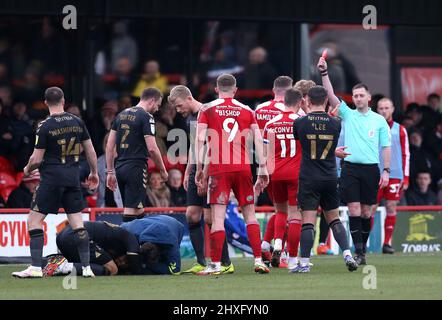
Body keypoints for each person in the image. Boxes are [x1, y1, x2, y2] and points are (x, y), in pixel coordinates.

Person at [12, 87, 99, 278]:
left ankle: (35, 268)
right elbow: (90, 150)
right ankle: (86, 268)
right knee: (78, 223)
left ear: (45, 103)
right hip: (72, 179)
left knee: (34, 220)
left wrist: (27, 169)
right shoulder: (77, 121)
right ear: (63, 100)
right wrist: (94, 172)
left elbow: (36, 159)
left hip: (51, 179)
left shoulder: (45, 126)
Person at [319, 56, 391, 266]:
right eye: (355, 95)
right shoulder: (348, 115)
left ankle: (363, 249)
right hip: (350, 168)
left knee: (367, 212)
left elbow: (386, 147)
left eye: (361, 95)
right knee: (354, 210)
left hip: (371, 170)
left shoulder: (379, 120)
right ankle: (358, 251)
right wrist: (324, 73)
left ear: (369, 98)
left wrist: (386, 170)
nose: (358, 98)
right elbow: (330, 94)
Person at [195, 74, 270, 275]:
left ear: (216, 89)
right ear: (235, 90)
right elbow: (258, 140)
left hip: (220, 169)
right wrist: (262, 168)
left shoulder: (207, 109)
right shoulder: (247, 110)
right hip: (243, 168)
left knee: (218, 219)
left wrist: (200, 168)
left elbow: (200, 139)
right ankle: (259, 261)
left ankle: (217, 265)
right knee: (250, 215)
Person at [292, 86, 357, 273]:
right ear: (327, 101)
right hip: (329, 176)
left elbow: (304, 143)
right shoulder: (336, 123)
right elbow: (327, 145)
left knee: (308, 222)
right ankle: (347, 254)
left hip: (309, 177)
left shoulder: (300, 123)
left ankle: (304, 263)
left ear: (308, 101)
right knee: (334, 219)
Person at [168, 85, 233, 274]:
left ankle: (226, 262)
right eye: (176, 108)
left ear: (189, 98)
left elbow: (212, 145)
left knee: (211, 218)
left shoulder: (208, 112)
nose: (179, 111)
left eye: (180, 106)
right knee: (192, 215)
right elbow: (194, 145)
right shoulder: (190, 118)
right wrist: (189, 169)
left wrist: (206, 173)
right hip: (197, 168)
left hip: (211, 168)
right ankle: (201, 262)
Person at [106, 87, 168, 222]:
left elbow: (109, 146)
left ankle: (136, 242)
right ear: (152, 101)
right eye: (157, 105)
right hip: (136, 167)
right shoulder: (146, 117)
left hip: (120, 167)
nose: (157, 109)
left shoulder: (121, 115)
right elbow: (152, 148)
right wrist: (162, 170)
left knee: (137, 211)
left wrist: (110, 171)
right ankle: (126, 242)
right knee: (132, 212)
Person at [262, 88, 303, 269]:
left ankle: (277, 244)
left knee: (280, 212)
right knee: (295, 216)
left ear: (283, 102)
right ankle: (292, 258)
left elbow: (264, 154)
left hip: (275, 173)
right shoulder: (302, 122)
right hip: (296, 173)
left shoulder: (270, 124)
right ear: (300, 103)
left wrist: (262, 175)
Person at [254, 76, 292, 265]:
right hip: (289, 165)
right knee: (288, 212)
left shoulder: (259, 110)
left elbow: (253, 138)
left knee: (279, 210)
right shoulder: (290, 112)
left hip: (265, 166)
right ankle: (282, 252)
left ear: (273, 89)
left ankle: (263, 246)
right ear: (290, 91)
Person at [371, 98, 410, 254]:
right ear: (377, 110)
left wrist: (405, 177)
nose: (384, 111)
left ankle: (387, 243)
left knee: (391, 207)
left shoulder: (400, 130)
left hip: (394, 174)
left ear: (392, 109)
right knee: (371, 208)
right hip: (375, 174)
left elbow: (406, 154)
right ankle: (366, 243)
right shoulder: (372, 127)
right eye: (381, 108)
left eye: (387, 108)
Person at [45, 221, 141, 276]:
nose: (122, 262)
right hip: (78, 236)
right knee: (112, 269)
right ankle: (60, 266)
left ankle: (48, 265)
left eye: (125, 264)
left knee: (86, 268)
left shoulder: (114, 238)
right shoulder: (130, 237)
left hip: (64, 235)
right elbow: (134, 259)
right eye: (125, 259)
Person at [97, 133, 122, 208]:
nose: (109, 145)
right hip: (103, 205)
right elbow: (96, 187)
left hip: (121, 204)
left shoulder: (124, 160)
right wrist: (90, 186)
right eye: (107, 142)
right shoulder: (99, 162)